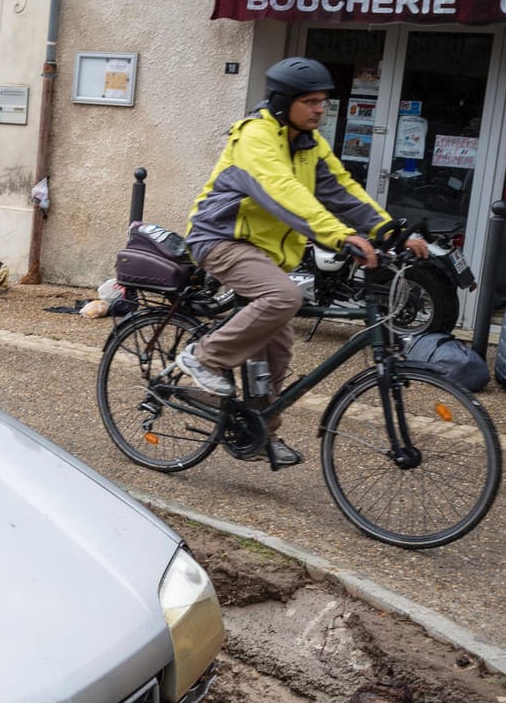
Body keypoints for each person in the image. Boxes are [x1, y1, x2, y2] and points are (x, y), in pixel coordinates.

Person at [177, 57, 428, 468]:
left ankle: (259, 433)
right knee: (283, 297)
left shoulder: (311, 144)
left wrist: (388, 231)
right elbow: (282, 191)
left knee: (278, 347)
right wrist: (341, 235)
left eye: (323, 102)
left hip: (267, 253)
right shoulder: (254, 136)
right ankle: (203, 358)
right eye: (309, 102)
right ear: (282, 101)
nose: (319, 110)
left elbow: (343, 190)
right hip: (222, 238)